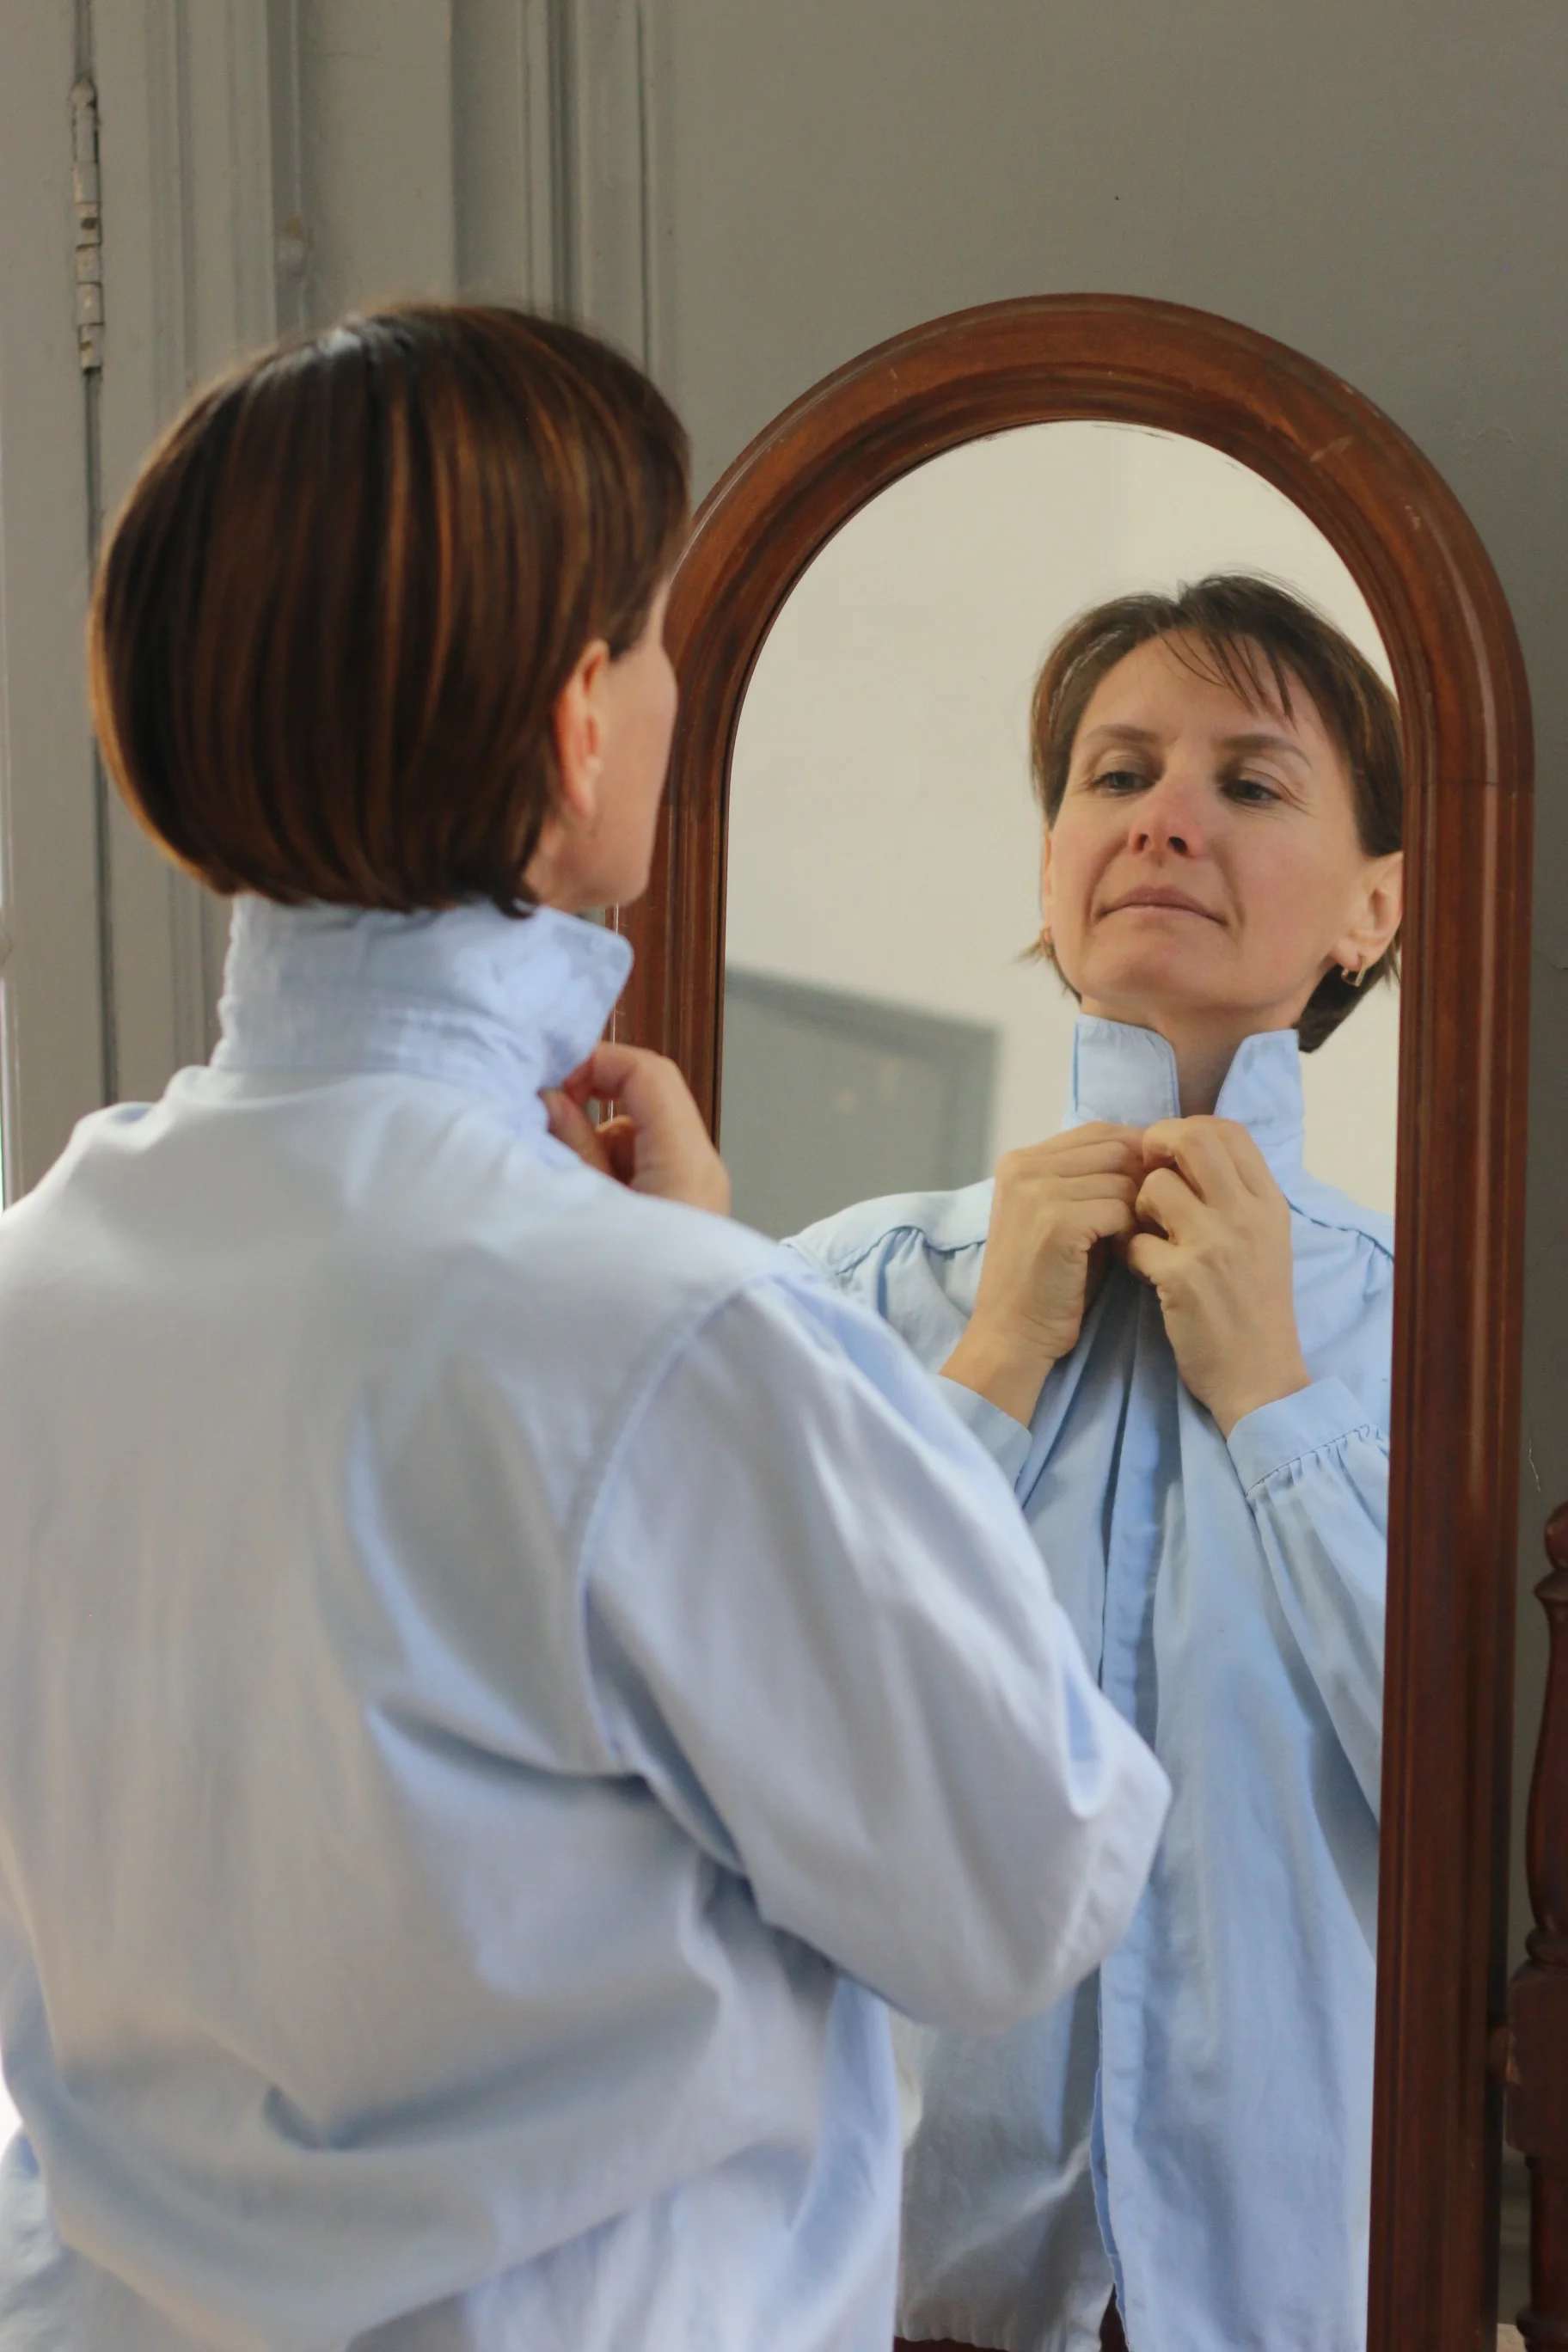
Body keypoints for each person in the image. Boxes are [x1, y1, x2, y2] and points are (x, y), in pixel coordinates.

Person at [0, 308, 1169, 2352]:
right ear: (578, 726)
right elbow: (1026, 1880)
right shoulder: (667, 1337)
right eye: (646, 635)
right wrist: (727, 1323)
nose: (669, 680)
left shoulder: (37, 1285)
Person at [788, 577, 1403, 2352]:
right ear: (1050, 866)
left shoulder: (1442, 1342)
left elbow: (1475, 1816)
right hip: (888, 2297)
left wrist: (1276, 1410)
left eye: (1253, 783)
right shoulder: (840, 1297)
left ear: (1380, 905)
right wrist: (983, 1376)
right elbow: (756, 1766)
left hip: (1304, 2300)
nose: (1163, 817)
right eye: (1116, 771)